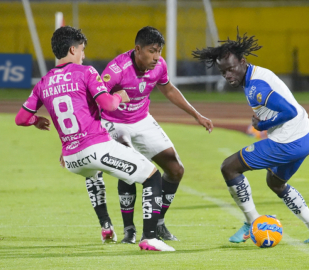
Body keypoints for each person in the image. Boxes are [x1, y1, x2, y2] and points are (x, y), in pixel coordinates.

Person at [15, 26, 175, 251]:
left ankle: (106, 225)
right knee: (152, 176)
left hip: (71, 159)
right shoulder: (86, 72)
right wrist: (120, 95)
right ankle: (150, 238)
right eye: (81, 50)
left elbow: (21, 118)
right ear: (73, 49)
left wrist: (36, 121)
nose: (84, 55)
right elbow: (108, 105)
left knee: (94, 173)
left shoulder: (43, 82)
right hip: (95, 148)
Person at [192, 30, 309, 244]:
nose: (228, 75)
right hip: (307, 135)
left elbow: (289, 111)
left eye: (231, 69)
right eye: (223, 72)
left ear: (242, 61)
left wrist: (262, 125)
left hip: (290, 141)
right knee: (276, 183)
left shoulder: (256, 86)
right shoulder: (255, 75)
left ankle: (251, 222)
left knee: (229, 167)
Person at [85, 26, 214, 244]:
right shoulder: (116, 69)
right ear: (138, 49)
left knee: (175, 169)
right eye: (152, 51)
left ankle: (159, 223)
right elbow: (95, 98)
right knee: (129, 166)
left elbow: (169, 90)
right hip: (115, 122)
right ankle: (129, 230)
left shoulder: (159, 66)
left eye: (159, 51)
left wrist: (197, 115)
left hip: (142, 120)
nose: (157, 57)